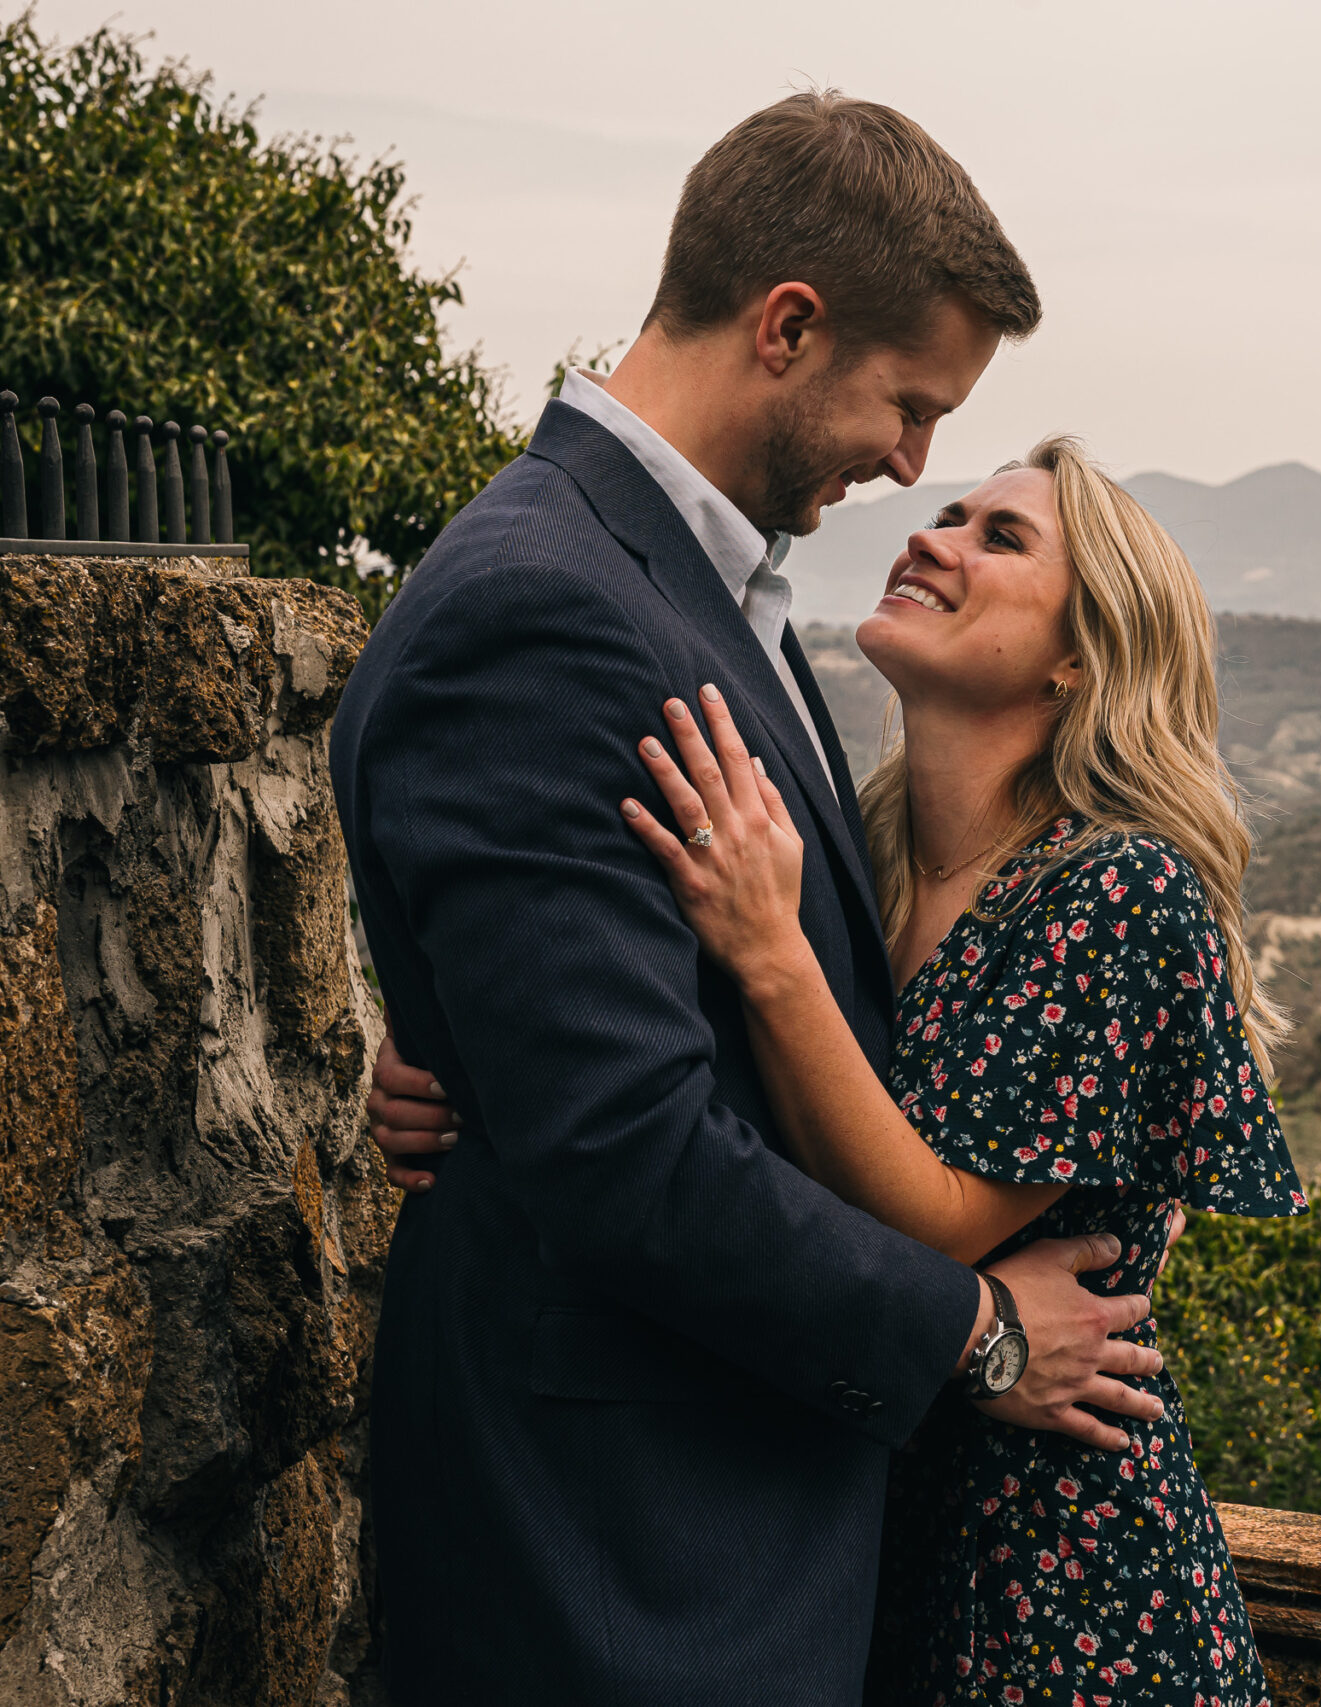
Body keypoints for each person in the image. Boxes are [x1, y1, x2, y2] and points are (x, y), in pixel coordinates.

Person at [335, 94, 1165, 1706]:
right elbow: (627, 1152)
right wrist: (976, 1332)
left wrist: (473, 1064)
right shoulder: (547, 605)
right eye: (908, 404)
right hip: (627, 1574)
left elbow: (601, 1026)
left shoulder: (695, 586)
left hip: (728, 1544)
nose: (914, 465)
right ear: (789, 323)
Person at [374, 440, 1306, 1705]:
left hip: (1063, 1591)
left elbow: (937, 1219)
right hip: (846, 1545)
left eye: (1002, 538)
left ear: (1081, 656)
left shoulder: (1116, 891)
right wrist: (478, 1063)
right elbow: (675, 1065)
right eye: (954, 513)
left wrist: (769, 951)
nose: (936, 534)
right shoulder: (859, 861)